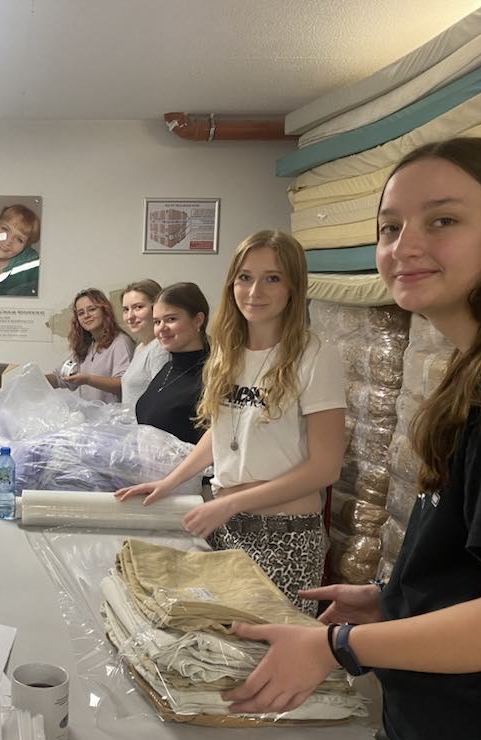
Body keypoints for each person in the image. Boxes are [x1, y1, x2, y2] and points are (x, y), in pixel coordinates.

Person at [223, 138, 481, 740]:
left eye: (443, 220)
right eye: (390, 228)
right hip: (430, 727)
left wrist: (337, 647)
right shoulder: (467, 383)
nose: (405, 247)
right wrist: (392, 597)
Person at [116, 230, 346, 614]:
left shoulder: (315, 356)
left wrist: (229, 504)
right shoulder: (228, 353)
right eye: (245, 277)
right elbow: (220, 431)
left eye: (272, 278)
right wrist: (169, 481)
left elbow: (325, 467)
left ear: (293, 286)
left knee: (268, 645)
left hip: (284, 536)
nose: (255, 291)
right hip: (227, 527)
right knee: (219, 643)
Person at [135, 282, 211, 444]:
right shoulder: (168, 367)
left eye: (171, 319)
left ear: (198, 320)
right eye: (157, 322)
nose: (162, 328)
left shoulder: (212, 376)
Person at [47, 288, 135, 403]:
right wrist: (34, 379)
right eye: (81, 313)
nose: (86, 316)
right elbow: (59, 377)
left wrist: (88, 379)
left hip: (113, 414)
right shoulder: (87, 345)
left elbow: (123, 384)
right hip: (91, 414)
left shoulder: (120, 342)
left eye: (92, 309)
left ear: (105, 311)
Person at [120, 279, 169, 412]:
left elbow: (160, 401)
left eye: (138, 307)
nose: (130, 316)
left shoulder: (160, 348)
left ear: (156, 308)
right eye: (126, 309)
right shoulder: (140, 347)